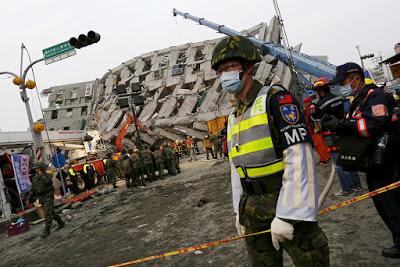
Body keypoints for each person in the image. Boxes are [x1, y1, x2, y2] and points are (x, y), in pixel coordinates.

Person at [211, 35, 329, 266]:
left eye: (231, 67)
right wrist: (239, 210)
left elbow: (299, 157)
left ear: (249, 67)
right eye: (221, 70)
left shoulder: (276, 99)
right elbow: (237, 168)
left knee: (311, 261)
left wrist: (289, 214)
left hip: (283, 201)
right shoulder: (234, 115)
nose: (225, 74)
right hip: (252, 209)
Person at [321, 62, 400, 258]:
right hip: (372, 163)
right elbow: (355, 124)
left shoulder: (375, 96)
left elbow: (375, 124)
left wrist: (341, 124)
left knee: (393, 204)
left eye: (344, 81)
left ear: (355, 77)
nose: (341, 86)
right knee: (383, 205)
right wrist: (339, 124)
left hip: (388, 163)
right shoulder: (358, 99)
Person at [312, 77, 362, 196]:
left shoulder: (320, 104)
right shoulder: (339, 98)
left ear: (319, 90)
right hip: (344, 131)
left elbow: (317, 121)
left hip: (331, 136)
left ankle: (347, 188)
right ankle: (357, 186)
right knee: (349, 158)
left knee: (338, 163)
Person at [28, 162, 65, 238]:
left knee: (47, 213)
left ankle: (47, 230)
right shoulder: (35, 177)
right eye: (36, 169)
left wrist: (41, 174)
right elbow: (32, 188)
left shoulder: (48, 175)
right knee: (51, 212)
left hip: (48, 195)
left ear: (41, 169)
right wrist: (28, 198)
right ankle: (61, 222)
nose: (36, 170)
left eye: (37, 169)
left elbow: (47, 181)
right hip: (41, 197)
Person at [303, 96, 330, 165]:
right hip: (314, 129)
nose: (305, 104)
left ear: (309, 102)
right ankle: (327, 156)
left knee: (319, 144)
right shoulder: (310, 108)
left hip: (315, 130)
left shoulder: (311, 108)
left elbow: (312, 118)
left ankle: (324, 159)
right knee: (321, 143)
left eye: (305, 103)